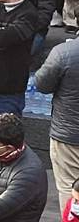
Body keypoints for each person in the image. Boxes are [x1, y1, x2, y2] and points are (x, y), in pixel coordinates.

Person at [35, 33, 79, 198]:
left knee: (69, 188)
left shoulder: (63, 52)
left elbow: (42, 84)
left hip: (68, 134)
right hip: (68, 131)